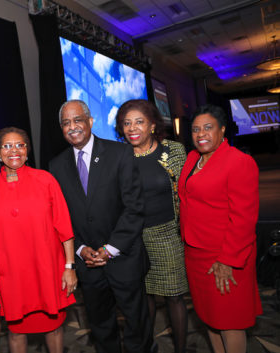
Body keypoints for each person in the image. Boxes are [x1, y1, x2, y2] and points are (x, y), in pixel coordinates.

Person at [49, 100, 152, 353]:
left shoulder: (120, 153)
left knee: (137, 325)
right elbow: (62, 217)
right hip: (88, 263)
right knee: (100, 327)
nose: (72, 127)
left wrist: (110, 248)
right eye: (66, 123)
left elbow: (134, 208)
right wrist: (81, 248)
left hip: (123, 258)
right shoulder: (56, 166)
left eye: (77, 120)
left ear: (90, 121)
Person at [0, 127, 77, 353]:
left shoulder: (46, 180)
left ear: (27, 151)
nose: (14, 150)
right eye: (7, 146)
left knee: (55, 328)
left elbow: (64, 227)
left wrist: (69, 267)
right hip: (11, 276)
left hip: (48, 270)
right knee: (16, 331)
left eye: (20, 145)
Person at [178, 104, 262, 353]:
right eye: (195, 129)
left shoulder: (239, 162)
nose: (200, 134)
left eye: (207, 128)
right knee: (209, 317)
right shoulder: (193, 158)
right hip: (196, 254)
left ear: (222, 129)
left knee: (230, 321)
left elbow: (244, 219)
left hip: (225, 254)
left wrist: (227, 260)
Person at [115, 99, 188, 353]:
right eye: (126, 123)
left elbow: (187, 194)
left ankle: (180, 349)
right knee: (142, 299)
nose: (132, 128)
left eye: (139, 122)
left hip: (168, 234)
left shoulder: (173, 151)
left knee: (175, 297)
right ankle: (147, 346)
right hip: (134, 239)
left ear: (152, 125)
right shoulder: (118, 157)